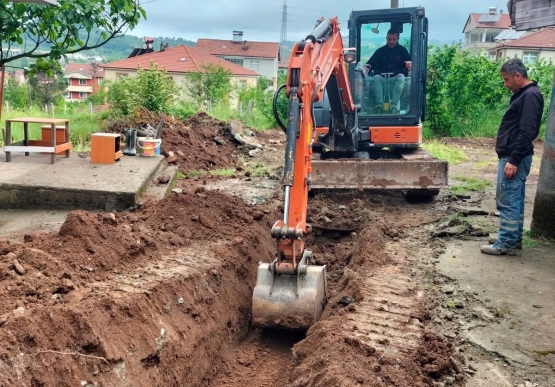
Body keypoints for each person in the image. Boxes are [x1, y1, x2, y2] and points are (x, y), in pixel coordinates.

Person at [481, 58, 544, 256]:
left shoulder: (530, 96)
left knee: (508, 199)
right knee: (514, 197)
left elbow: (527, 131)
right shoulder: (524, 94)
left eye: (507, 80)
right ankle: (512, 237)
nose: (505, 84)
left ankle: (506, 242)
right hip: (513, 155)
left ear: (518, 76)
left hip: (514, 157)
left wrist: (514, 160)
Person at [365, 28, 411, 113]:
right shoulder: (380, 51)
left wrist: (410, 65)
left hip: (396, 78)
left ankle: (394, 104)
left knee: (401, 76)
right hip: (382, 78)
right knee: (376, 77)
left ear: (398, 39)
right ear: (386, 38)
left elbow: (409, 64)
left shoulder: (403, 51)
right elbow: (370, 64)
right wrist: (367, 68)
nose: (391, 41)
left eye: (394, 39)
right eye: (389, 39)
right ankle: (379, 105)